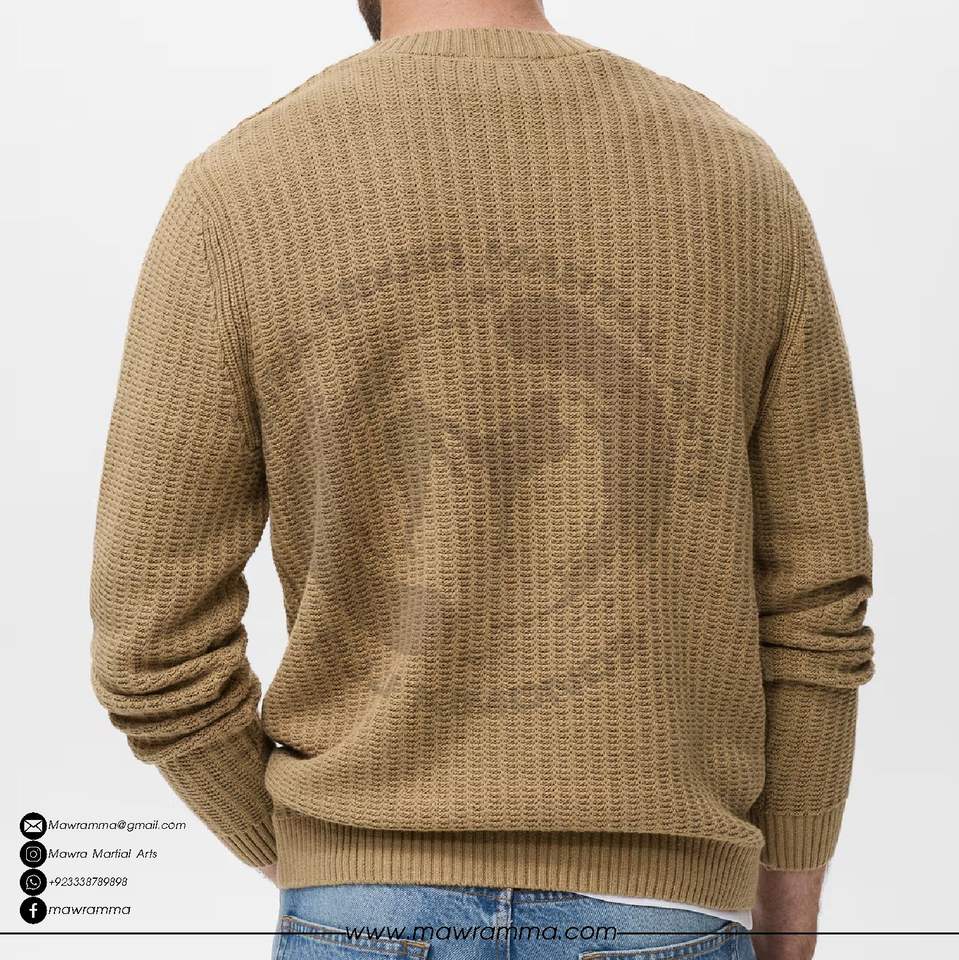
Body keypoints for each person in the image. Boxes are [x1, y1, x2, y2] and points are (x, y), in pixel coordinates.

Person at [89, 1, 875, 957]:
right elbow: (814, 607)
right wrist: (786, 921)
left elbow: (149, 648)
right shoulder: (736, 178)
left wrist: (325, 860)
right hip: (665, 910)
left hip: (360, 915)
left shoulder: (238, 189)